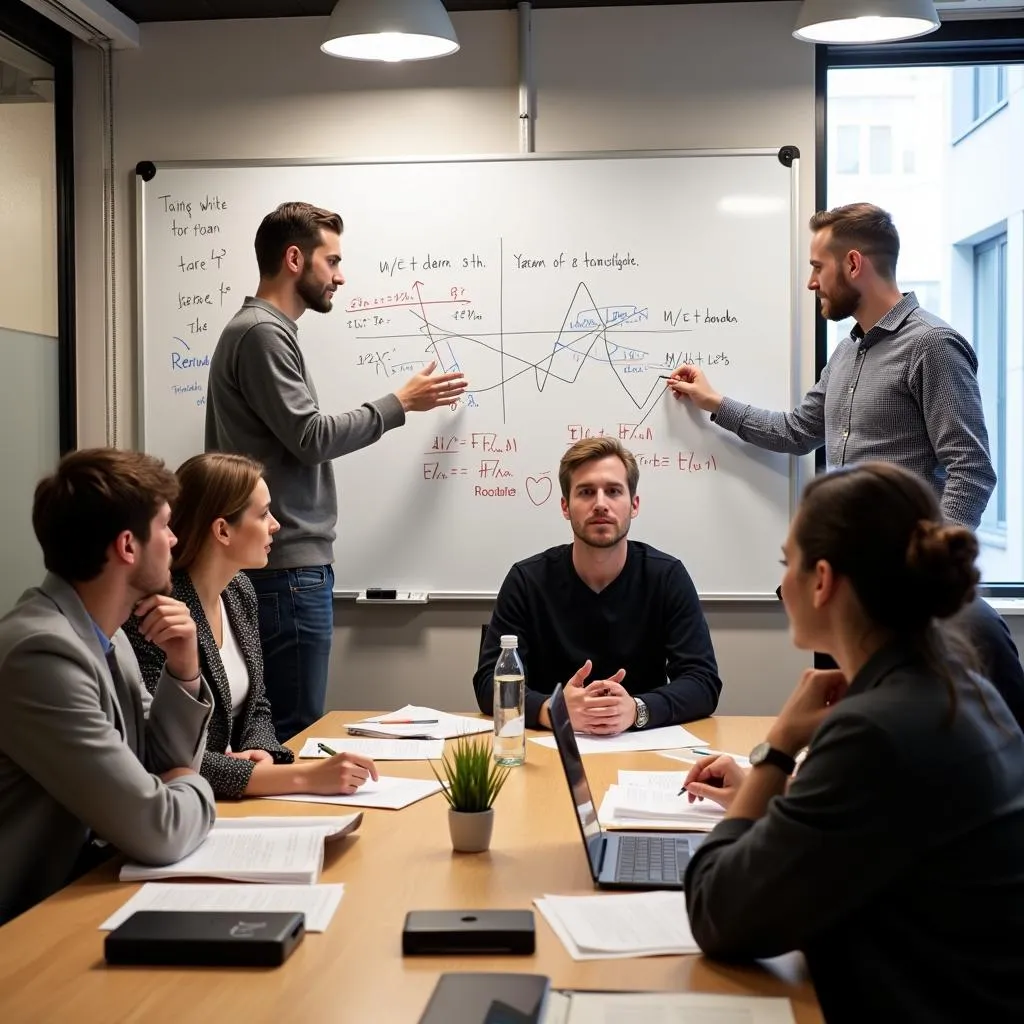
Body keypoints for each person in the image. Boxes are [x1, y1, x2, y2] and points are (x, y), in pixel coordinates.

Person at [683, 461, 1024, 1023]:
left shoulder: (874, 730)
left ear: (821, 580)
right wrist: (792, 792)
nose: (781, 585)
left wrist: (777, 747)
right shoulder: (963, 689)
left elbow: (716, 909)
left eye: (785, 564)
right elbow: (894, 820)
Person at [205, 201, 468, 740]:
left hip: (287, 569)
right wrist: (399, 404)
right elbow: (310, 437)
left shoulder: (265, 330)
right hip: (285, 572)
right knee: (292, 733)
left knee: (276, 731)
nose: (341, 276)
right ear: (295, 259)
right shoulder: (262, 333)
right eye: (333, 261)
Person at [668, 203, 995, 530]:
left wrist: (931, 562)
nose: (811, 282)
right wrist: (713, 402)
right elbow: (797, 432)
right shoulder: (846, 352)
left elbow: (971, 470)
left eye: (817, 267)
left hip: (903, 572)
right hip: (849, 560)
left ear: (853, 263)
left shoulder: (932, 344)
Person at [0, 449, 217, 925]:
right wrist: (196, 786)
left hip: (83, 894)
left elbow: (161, 765)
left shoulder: (109, 635)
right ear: (127, 547)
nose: (176, 539)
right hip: (25, 926)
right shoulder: (42, 656)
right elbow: (157, 827)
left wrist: (184, 666)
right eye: (165, 526)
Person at [124, 453, 378, 800]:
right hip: (191, 802)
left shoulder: (239, 591)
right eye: (263, 514)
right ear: (223, 530)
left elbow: (257, 704)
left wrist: (263, 750)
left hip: (237, 798)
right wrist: (301, 777)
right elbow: (170, 756)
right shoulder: (157, 614)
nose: (276, 525)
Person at [473, 437, 722, 735]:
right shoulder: (527, 580)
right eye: (586, 492)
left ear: (634, 505)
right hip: (550, 749)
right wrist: (552, 710)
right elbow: (489, 682)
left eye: (614, 491)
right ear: (566, 506)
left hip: (643, 750)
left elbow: (703, 681)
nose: (601, 504)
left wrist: (638, 709)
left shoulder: (667, 576)